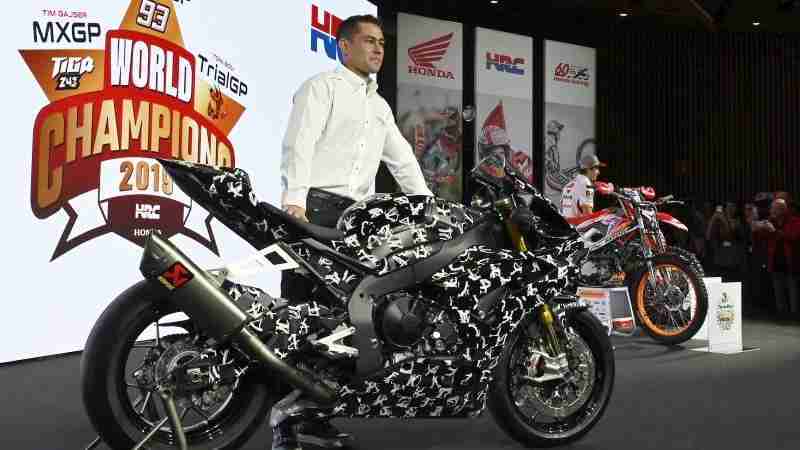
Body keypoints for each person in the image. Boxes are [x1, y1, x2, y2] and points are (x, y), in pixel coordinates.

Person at [275, 14, 433, 450]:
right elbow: (299, 144)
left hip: (356, 221)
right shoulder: (320, 88)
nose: (378, 48)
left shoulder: (379, 107)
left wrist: (427, 206)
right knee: (303, 314)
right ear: (344, 46)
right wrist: (295, 201)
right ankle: (284, 421)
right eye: (369, 41)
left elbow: (402, 160)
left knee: (343, 323)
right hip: (314, 210)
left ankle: (314, 416)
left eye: (382, 42)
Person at [752, 198, 800, 319]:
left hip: (791, 262)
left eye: (774, 209)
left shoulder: (795, 221)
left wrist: (774, 231)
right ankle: (781, 315)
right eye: (771, 208)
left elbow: (793, 237)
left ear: (782, 210)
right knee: (778, 290)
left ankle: (794, 315)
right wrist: (757, 228)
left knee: (793, 291)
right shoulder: (770, 221)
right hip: (775, 262)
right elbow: (761, 238)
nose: (771, 211)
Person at [560, 153, 605, 218]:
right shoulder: (587, 184)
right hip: (577, 224)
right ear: (588, 169)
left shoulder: (568, 184)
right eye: (597, 168)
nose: (598, 172)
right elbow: (587, 215)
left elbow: (563, 210)